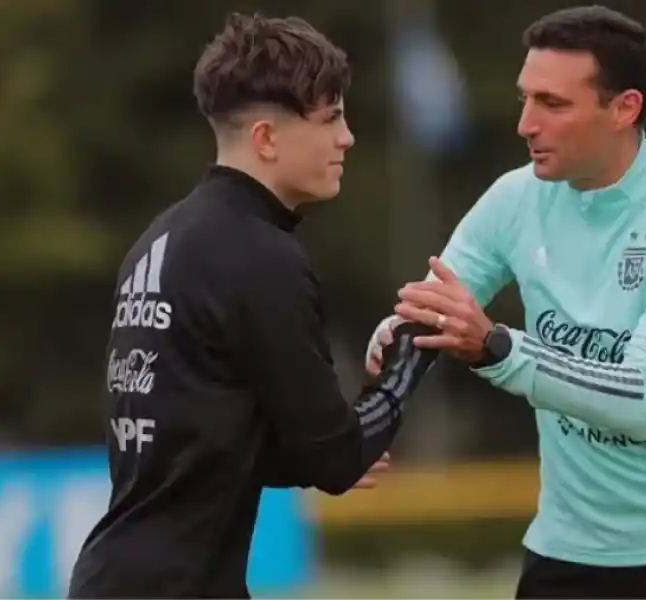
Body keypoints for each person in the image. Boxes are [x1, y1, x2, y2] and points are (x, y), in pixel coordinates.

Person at [366, 5, 646, 599]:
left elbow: (643, 399)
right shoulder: (512, 199)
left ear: (625, 108)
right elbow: (433, 315)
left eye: (553, 104)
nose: (525, 123)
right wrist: (374, 382)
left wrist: (497, 347)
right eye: (525, 98)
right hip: (569, 560)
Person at [68, 13, 437, 599]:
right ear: (266, 137)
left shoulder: (159, 240)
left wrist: (329, 448)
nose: (347, 137)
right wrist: (418, 346)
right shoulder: (259, 255)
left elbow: (206, 438)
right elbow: (335, 460)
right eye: (331, 118)